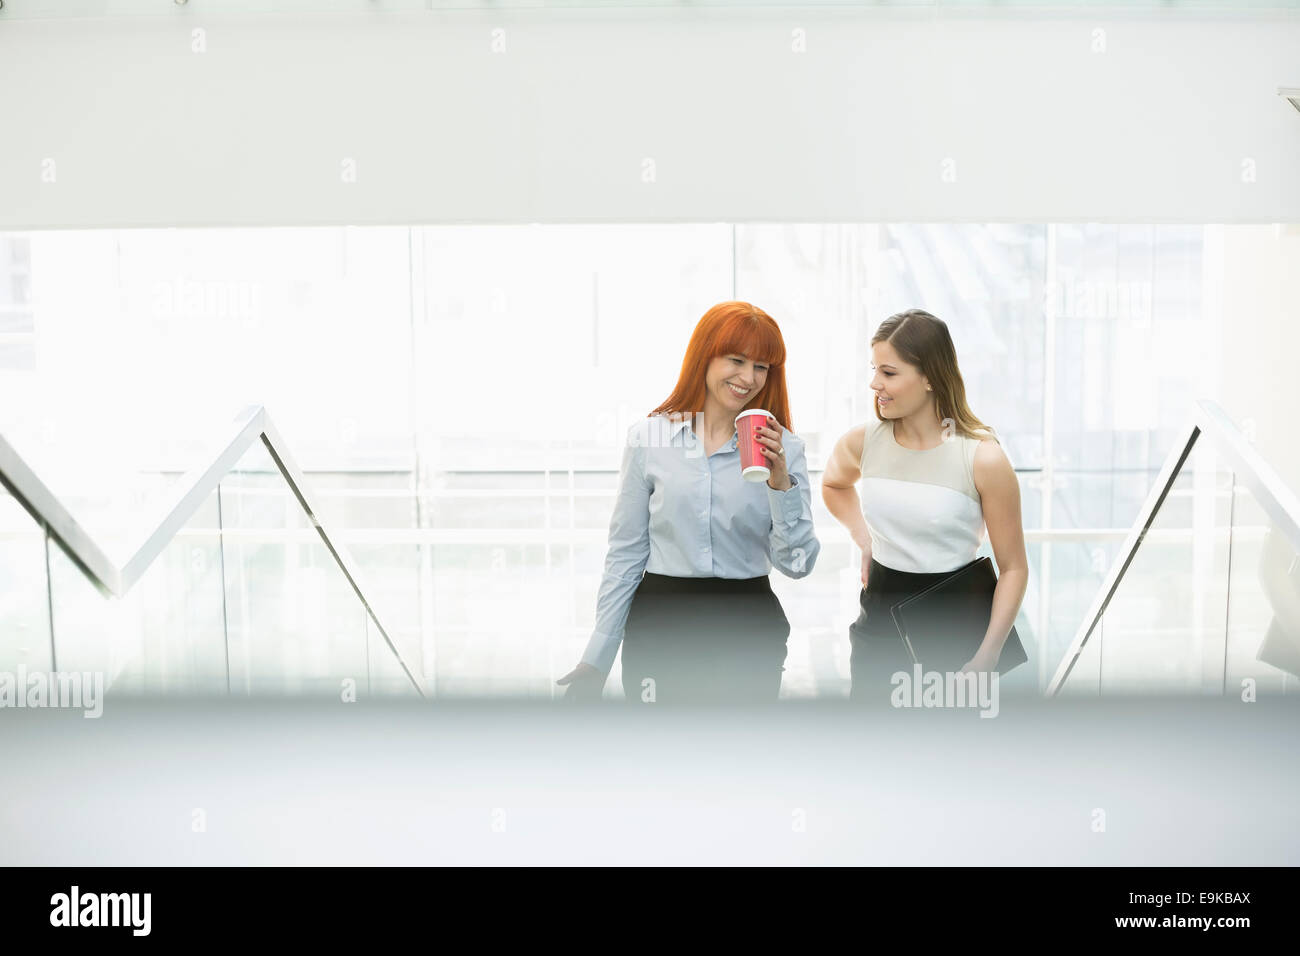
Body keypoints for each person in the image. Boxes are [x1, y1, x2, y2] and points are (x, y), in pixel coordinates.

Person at [556, 301, 820, 704]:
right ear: (705, 356)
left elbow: (797, 565)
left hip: (748, 627)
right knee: (662, 757)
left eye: (762, 366)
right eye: (736, 360)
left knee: (738, 760)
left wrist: (781, 484)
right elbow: (626, 553)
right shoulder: (649, 439)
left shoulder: (785, 448)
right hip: (661, 625)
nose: (748, 378)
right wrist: (597, 657)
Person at [820, 309, 1027, 703]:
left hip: (952, 638)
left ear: (930, 376)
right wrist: (864, 539)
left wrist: (987, 655)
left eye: (889, 373)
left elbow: (1014, 567)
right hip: (876, 625)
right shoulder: (863, 441)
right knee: (870, 755)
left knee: (942, 759)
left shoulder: (982, 458)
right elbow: (833, 484)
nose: (874, 383)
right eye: (874, 370)